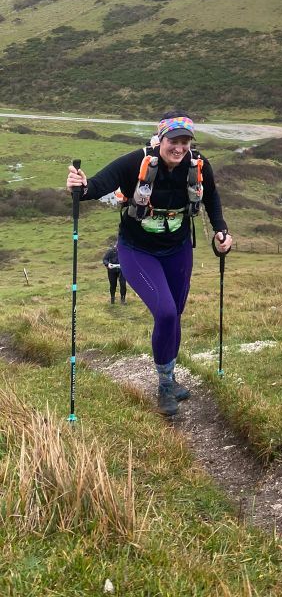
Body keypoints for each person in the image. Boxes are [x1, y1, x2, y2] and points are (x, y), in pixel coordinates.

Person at [66, 110, 232, 417]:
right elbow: (96, 186)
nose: (179, 147)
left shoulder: (199, 165)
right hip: (136, 250)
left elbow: (212, 199)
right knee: (166, 312)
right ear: (161, 140)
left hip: (178, 249)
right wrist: (81, 185)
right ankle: (164, 387)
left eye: (185, 141)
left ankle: (168, 377)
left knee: (174, 315)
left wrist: (222, 231)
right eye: (173, 140)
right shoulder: (134, 162)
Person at [102, 239, 127, 305]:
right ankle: (112, 299)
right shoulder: (111, 251)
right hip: (112, 270)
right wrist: (107, 264)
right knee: (113, 285)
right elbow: (104, 259)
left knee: (123, 284)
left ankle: (123, 299)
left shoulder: (125, 251)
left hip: (122, 270)